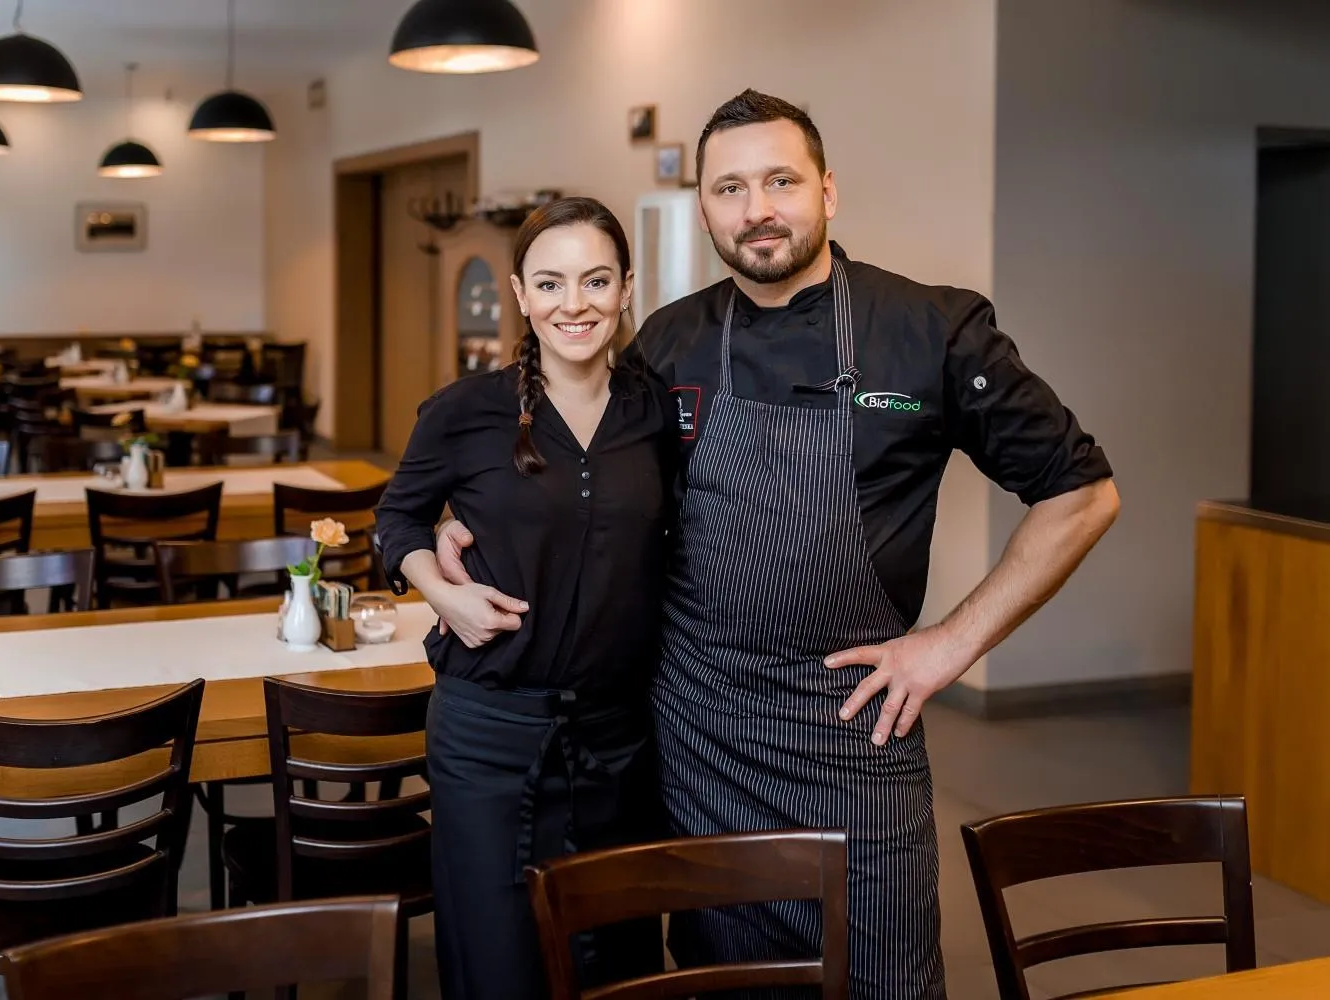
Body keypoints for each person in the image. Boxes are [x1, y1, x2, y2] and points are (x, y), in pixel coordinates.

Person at [430, 91, 1120, 998]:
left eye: (781, 181)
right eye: (730, 188)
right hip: (698, 730)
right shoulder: (669, 341)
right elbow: (577, 473)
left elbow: (1082, 493)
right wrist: (457, 522)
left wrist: (950, 644)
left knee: (883, 978)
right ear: (705, 207)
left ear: (827, 191)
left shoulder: (931, 331)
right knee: (719, 981)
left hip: (856, 734)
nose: (757, 208)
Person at [374, 196, 672, 1000]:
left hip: (619, 738)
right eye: (551, 283)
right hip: (490, 733)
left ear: (627, 288)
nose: (573, 304)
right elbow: (394, 518)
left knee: (617, 959)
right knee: (498, 961)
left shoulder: (659, 415)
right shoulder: (464, 411)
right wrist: (444, 593)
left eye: (596, 280)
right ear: (519, 294)